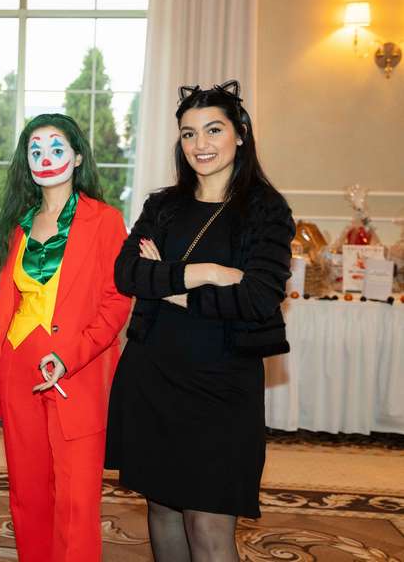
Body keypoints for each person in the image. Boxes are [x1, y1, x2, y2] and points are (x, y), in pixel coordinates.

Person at [105, 81, 295, 561]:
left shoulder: (265, 211)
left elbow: (258, 296)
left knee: (209, 525)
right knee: (162, 510)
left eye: (213, 130)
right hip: (153, 375)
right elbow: (127, 273)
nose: (200, 144)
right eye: (189, 134)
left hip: (222, 387)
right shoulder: (163, 206)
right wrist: (208, 272)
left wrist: (168, 284)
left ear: (240, 134)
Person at [0, 113, 131, 562]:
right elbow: (8, 305)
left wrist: (69, 357)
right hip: (19, 372)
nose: (45, 158)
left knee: (77, 501)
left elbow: (117, 303)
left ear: (77, 157)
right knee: (28, 493)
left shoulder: (105, 221)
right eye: (35, 150)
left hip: (75, 375)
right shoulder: (18, 224)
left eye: (57, 148)